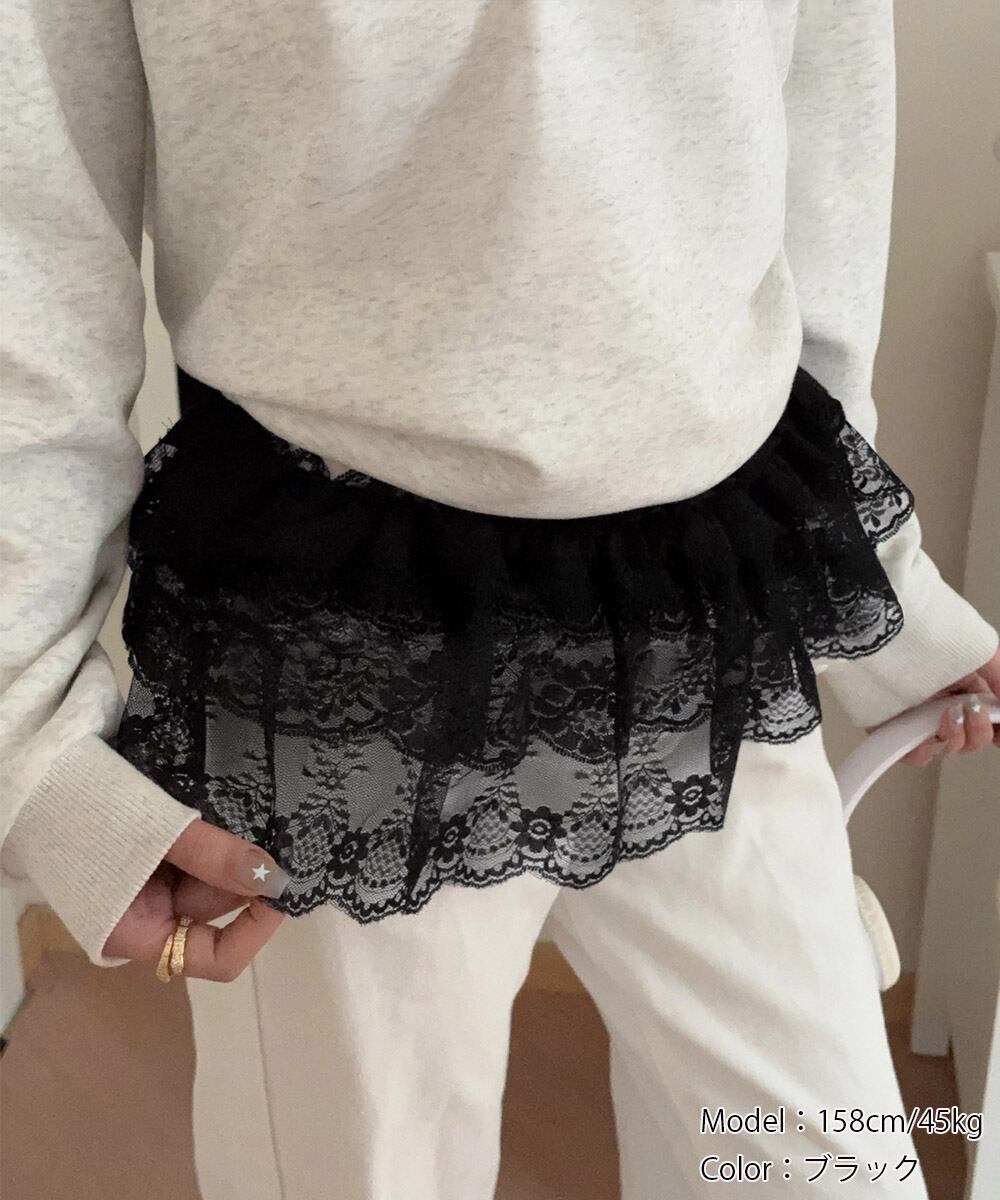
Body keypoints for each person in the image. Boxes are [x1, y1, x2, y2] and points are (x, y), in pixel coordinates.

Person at [2, 1, 997, 1197]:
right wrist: (36, 757)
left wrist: (883, 591)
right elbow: (30, 252)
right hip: (337, 653)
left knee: (829, 1170)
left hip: (705, 622)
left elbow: (814, 158)